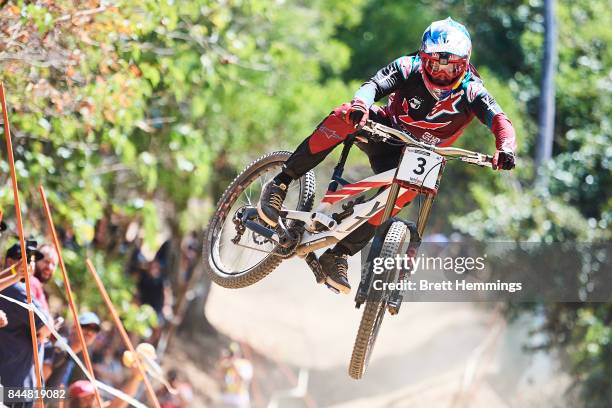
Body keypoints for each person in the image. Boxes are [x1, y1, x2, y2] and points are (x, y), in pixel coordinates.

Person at [257, 17, 517, 294]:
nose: (441, 73)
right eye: (434, 64)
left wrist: (505, 148)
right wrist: (360, 105)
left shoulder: (473, 90)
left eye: (451, 66)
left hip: (422, 156)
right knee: (344, 115)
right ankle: (280, 183)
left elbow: (500, 120)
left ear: (464, 64)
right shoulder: (408, 66)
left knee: (404, 194)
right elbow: (373, 86)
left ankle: (339, 255)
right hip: (385, 131)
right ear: (423, 56)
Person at [44, 312, 102, 387]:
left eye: (94, 330)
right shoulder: (59, 347)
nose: (90, 332)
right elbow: (39, 379)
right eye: (85, 327)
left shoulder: (83, 357)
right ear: (74, 327)